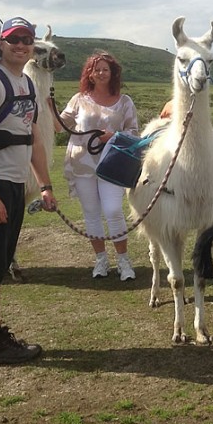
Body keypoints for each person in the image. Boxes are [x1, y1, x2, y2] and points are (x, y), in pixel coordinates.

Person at [0, 17, 57, 366]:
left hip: (12, 183)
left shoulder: (25, 84)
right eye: (13, 39)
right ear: (2, 44)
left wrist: (45, 184)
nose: (20, 45)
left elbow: (33, 137)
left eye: (27, 39)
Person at [59, 51, 138, 281]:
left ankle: (124, 261)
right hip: (83, 164)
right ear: (90, 74)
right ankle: (101, 260)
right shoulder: (79, 99)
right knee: (91, 214)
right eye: (96, 69)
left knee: (113, 210)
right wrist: (45, 102)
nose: (101, 73)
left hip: (111, 164)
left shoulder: (124, 102)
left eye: (105, 69)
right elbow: (60, 124)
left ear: (113, 73)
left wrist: (114, 135)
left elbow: (134, 133)